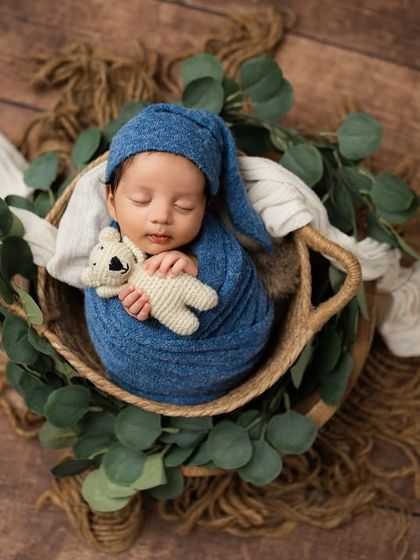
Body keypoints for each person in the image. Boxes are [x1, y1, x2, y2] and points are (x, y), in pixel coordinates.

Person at [84, 103, 275, 405]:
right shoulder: (108, 249)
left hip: (223, 366)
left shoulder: (214, 243)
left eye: (184, 206)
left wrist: (198, 266)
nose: (161, 216)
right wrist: (132, 314)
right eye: (141, 199)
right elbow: (102, 305)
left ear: (206, 207)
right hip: (137, 367)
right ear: (111, 200)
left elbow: (241, 284)